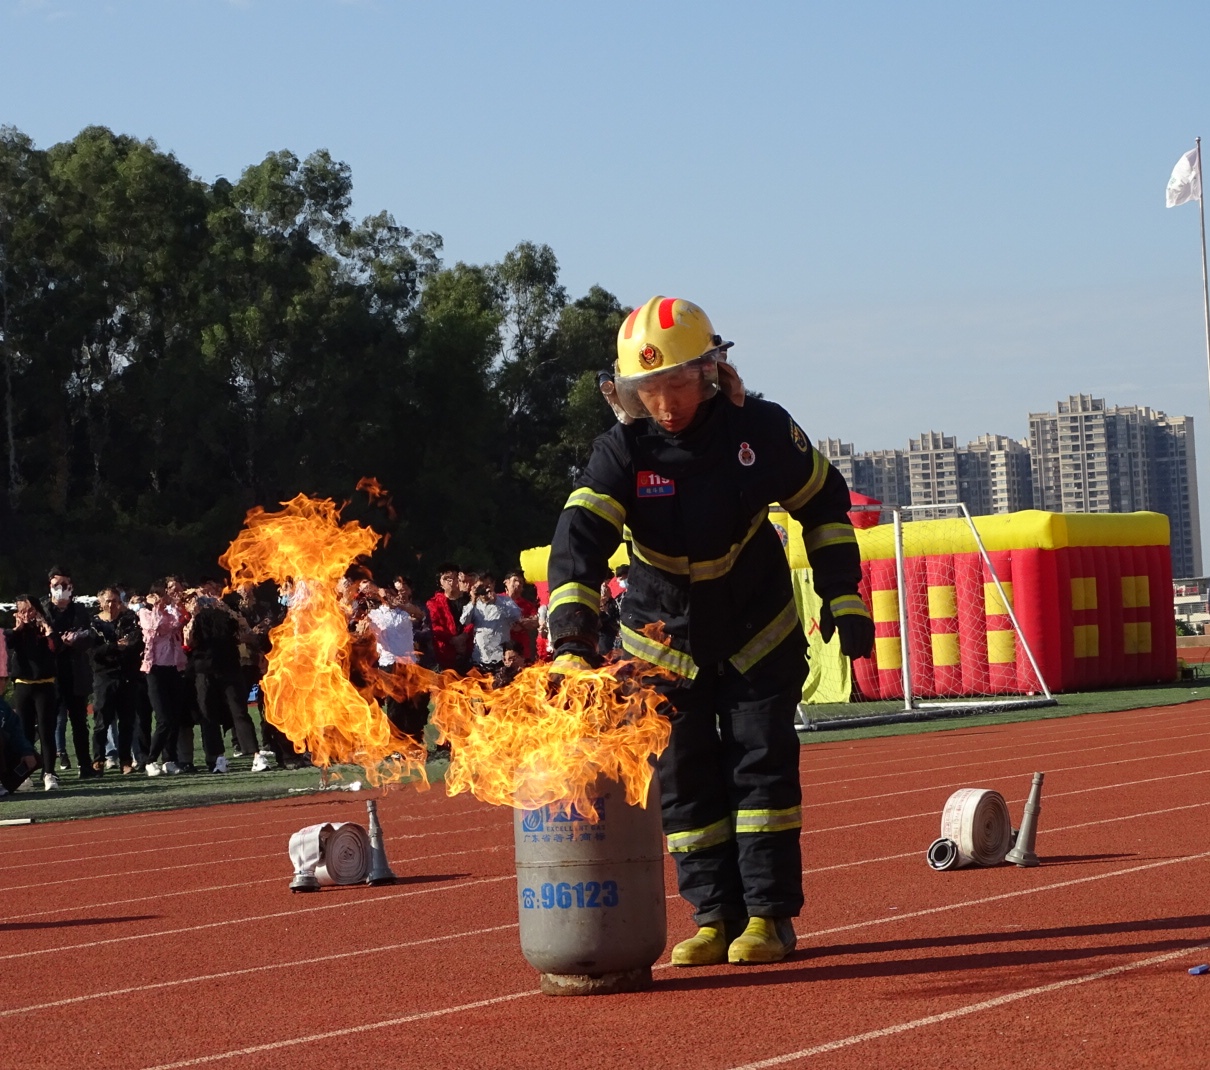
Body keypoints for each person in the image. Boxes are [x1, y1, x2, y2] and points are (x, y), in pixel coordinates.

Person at [546, 295, 874, 967]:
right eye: (649, 389)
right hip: (660, 645)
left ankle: (769, 918)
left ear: (710, 371)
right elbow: (578, 543)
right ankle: (713, 917)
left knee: (760, 770)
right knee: (684, 782)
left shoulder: (760, 430)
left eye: (676, 384)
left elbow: (824, 506)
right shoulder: (621, 451)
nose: (665, 404)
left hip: (758, 630)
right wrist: (572, 645)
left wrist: (844, 595)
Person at [46, 567, 98, 778]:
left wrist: (74, 641)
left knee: (79, 722)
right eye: (56, 585)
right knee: (49, 722)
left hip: (76, 672)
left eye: (65, 585)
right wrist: (60, 642)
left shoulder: (80, 610)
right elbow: (43, 638)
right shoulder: (44, 609)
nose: (61, 589)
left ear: (72, 587)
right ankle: (48, 768)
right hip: (51, 673)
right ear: (49, 586)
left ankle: (85, 765)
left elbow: (89, 637)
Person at [3, 595, 60, 789]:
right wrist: (17, 628)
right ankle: (25, 775)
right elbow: (6, 642)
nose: (27, 615)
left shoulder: (45, 629)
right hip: (23, 684)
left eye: (31, 610)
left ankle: (49, 773)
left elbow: (56, 648)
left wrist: (48, 631)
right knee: (24, 731)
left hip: (45, 684)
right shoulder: (18, 632)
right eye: (23, 611)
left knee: (46, 730)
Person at [88, 587, 144, 774]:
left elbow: (137, 643)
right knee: (102, 721)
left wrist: (123, 648)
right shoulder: (94, 624)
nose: (112, 604)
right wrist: (114, 647)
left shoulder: (129, 621)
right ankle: (98, 759)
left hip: (127, 676)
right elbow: (93, 653)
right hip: (104, 677)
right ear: (101, 602)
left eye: (115, 600)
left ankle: (125, 761)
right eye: (108, 601)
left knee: (127, 721)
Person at [139, 579, 187, 776]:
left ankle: (170, 759)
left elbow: (178, 623)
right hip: (155, 670)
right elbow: (154, 628)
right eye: (161, 594)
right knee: (163, 718)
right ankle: (150, 760)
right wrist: (156, 608)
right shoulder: (145, 612)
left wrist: (173, 605)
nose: (164, 598)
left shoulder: (171, 612)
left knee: (174, 717)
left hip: (173, 668)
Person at [460, 578, 521, 673]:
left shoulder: (505, 601)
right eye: (481, 587)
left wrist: (497, 602)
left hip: (500, 658)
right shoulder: (473, 605)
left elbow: (517, 616)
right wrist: (473, 600)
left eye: (487, 586)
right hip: (480, 658)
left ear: (493, 584)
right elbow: (464, 621)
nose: (485, 590)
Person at [427, 564, 472, 672]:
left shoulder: (470, 600)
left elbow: (475, 620)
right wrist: (453, 639)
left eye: (454, 578)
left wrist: (464, 636)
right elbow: (435, 626)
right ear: (440, 582)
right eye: (446, 579)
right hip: (445, 655)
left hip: (470, 652)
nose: (451, 582)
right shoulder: (433, 603)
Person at [502, 570, 539, 663]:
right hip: (500, 651)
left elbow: (535, 621)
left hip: (522, 652)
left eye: (521, 583)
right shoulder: (497, 600)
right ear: (506, 582)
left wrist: (521, 622)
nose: (518, 584)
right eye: (515, 580)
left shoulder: (528, 605)